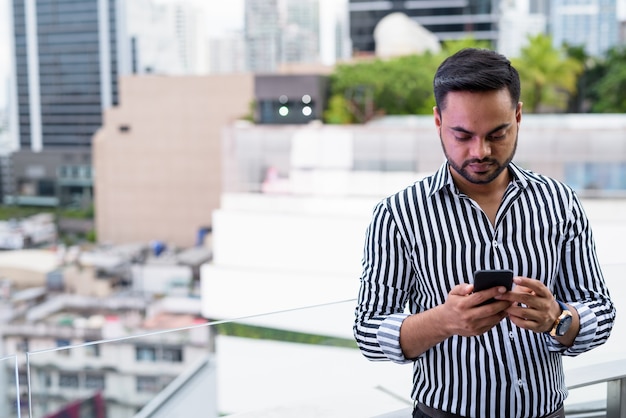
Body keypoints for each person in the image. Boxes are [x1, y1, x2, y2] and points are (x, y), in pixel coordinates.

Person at [353, 48, 616, 418]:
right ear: (438, 122)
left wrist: (557, 319)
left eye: (498, 133)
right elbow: (369, 332)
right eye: (462, 135)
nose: (481, 151)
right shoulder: (398, 215)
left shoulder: (560, 201)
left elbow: (599, 309)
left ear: (519, 117)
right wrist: (444, 320)